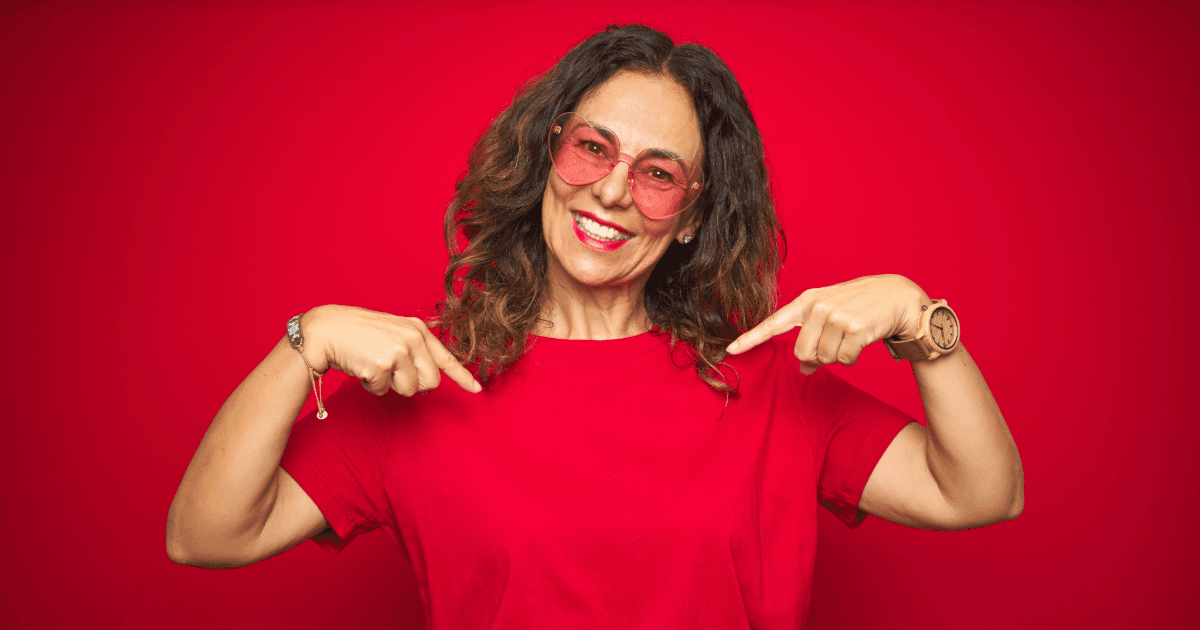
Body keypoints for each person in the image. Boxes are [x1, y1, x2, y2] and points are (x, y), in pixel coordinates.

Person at [167, 24, 1023, 629]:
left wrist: (920, 320)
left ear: (689, 217)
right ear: (550, 153)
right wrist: (305, 341)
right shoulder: (425, 380)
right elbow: (205, 535)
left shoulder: (765, 383)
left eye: (657, 173)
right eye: (592, 148)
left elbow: (979, 493)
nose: (613, 191)